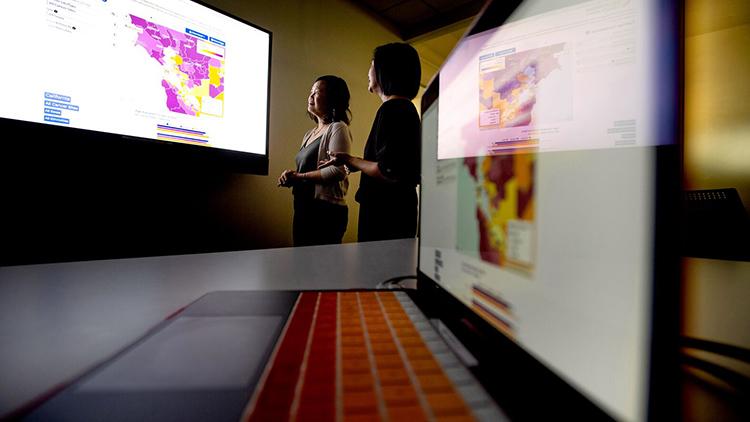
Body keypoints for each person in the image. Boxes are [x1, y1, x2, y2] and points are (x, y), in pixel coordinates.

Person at [319, 43, 421, 242]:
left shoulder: (393, 109)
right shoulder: (404, 109)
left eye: (372, 64)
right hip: (397, 212)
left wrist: (350, 159)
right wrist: (354, 162)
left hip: (386, 215)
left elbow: (388, 170)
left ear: (385, 69)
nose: (368, 71)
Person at [278, 75, 352, 246]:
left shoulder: (338, 127)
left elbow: (337, 171)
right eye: (311, 91)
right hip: (304, 208)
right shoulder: (309, 134)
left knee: (321, 268)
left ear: (333, 98)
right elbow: (305, 170)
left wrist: (300, 176)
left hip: (325, 212)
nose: (311, 96)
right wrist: (291, 177)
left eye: (317, 92)